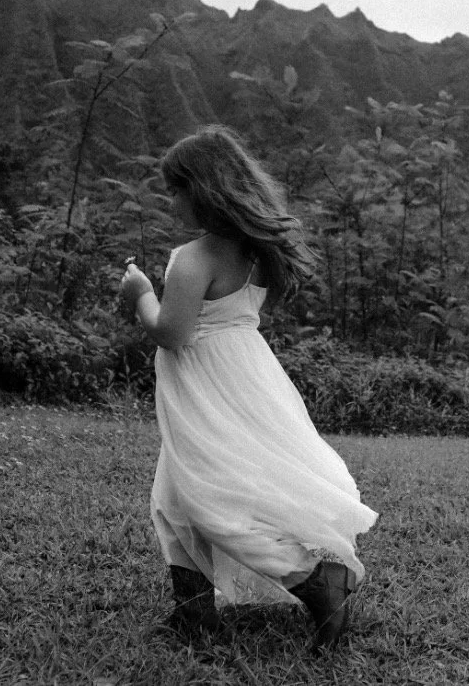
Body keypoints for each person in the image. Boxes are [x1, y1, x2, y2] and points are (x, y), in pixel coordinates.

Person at [119, 124, 378, 651]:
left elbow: (171, 333)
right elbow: (238, 314)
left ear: (204, 190)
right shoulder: (258, 251)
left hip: (203, 382)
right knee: (175, 496)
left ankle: (319, 582)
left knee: (211, 497)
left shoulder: (193, 258)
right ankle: (194, 614)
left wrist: (140, 293)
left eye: (177, 191)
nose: (173, 204)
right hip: (248, 375)